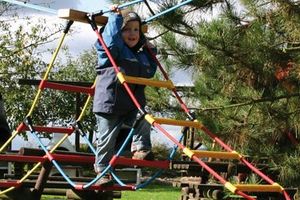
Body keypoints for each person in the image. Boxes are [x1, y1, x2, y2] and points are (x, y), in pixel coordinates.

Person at [93, 6, 157, 185]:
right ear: (118, 31)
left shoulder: (139, 56)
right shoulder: (112, 52)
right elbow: (111, 41)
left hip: (131, 104)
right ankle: (102, 170)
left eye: (136, 30)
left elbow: (149, 71)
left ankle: (141, 148)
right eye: (127, 29)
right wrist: (115, 18)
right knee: (107, 139)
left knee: (143, 117)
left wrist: (151, 53)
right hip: (110, 103)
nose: (132, 33)